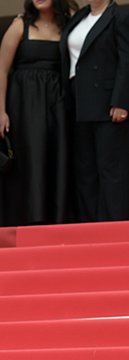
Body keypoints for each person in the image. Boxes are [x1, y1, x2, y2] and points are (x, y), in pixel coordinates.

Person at [0, 0, 72, 227]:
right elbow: (1, 70)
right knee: (28, 160)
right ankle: (25, 220)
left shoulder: (69, 25)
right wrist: (0, 112)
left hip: (58, 107)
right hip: (23, 107)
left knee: (56, 160)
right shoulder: (20, 25)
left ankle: (53, 223)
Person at [61, 0, 129, 222]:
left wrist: (122, 101)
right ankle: (89, 229)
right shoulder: (79, 17)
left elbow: (127, 60)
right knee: (85, 173)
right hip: (79, 102)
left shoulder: (120, 16)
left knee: (111, 171)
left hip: (108, 104)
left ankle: (115, 229)